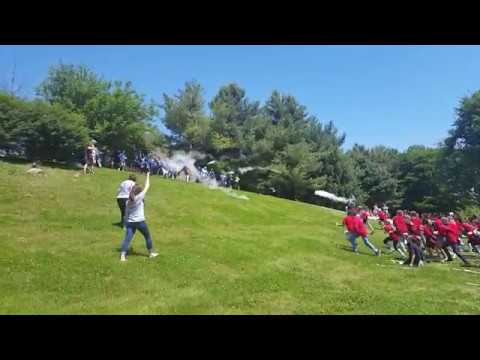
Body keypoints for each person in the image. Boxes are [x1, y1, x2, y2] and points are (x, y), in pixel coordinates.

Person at [120, 172, 158, 262]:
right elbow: (147, 186)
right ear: (138, 192)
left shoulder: (128, 202)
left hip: (131, 222)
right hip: (140, 222)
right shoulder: (140, 197)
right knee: (147, 236)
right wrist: (148, 176)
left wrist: (126, 224)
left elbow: (127, 214)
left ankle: (122, 256)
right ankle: (151, 253)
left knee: (127, 239)